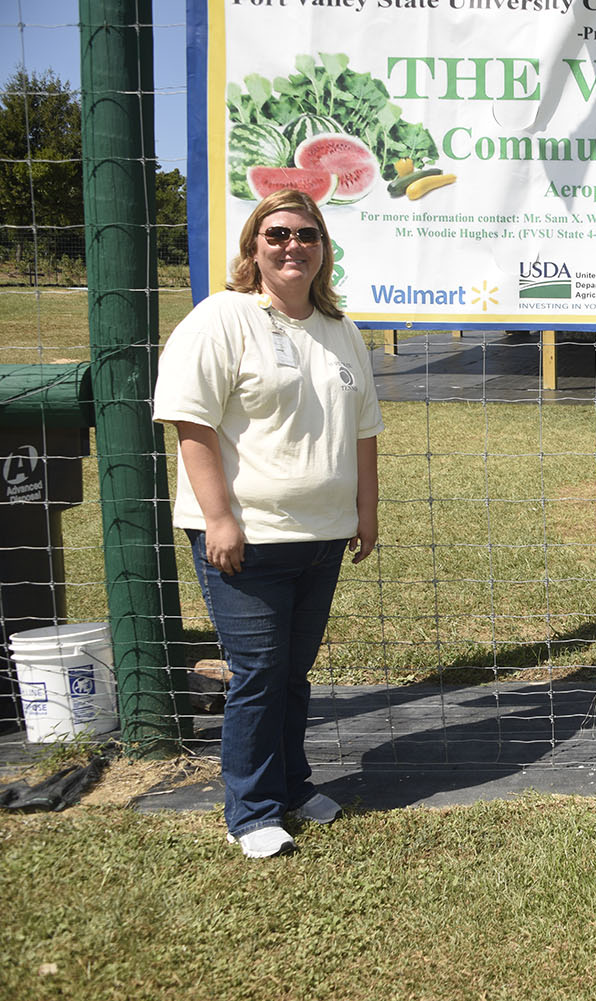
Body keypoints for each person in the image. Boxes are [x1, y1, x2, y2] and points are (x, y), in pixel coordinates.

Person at [154, 190, 383, 857]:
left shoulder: (341, 330)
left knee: (291, 672)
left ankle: (290, 784)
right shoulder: (223, 317)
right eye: (277, 233)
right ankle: (251, 811)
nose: (293, 246)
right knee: (257, 671)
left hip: (321, 537)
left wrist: (365, 510)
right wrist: (219, 518)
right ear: (255, 246)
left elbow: (364, 430)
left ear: (323, 249)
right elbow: (189, 419)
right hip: (244, 538)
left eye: (307, 234)